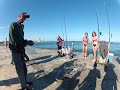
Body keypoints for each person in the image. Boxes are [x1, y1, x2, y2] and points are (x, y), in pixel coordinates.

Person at [9, 12, 34, 90]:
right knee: (20, 70)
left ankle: (25, 82)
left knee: (24, 69)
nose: (24, 19)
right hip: (16, 51)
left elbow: (21, 40)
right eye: (24, 17)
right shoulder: (13, 25)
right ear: (19, 16)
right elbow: (14, 40)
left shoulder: (21, 28)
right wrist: (27, 42)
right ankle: (23, 87)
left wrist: (26, 44)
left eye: (25, 18)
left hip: (21, 51)